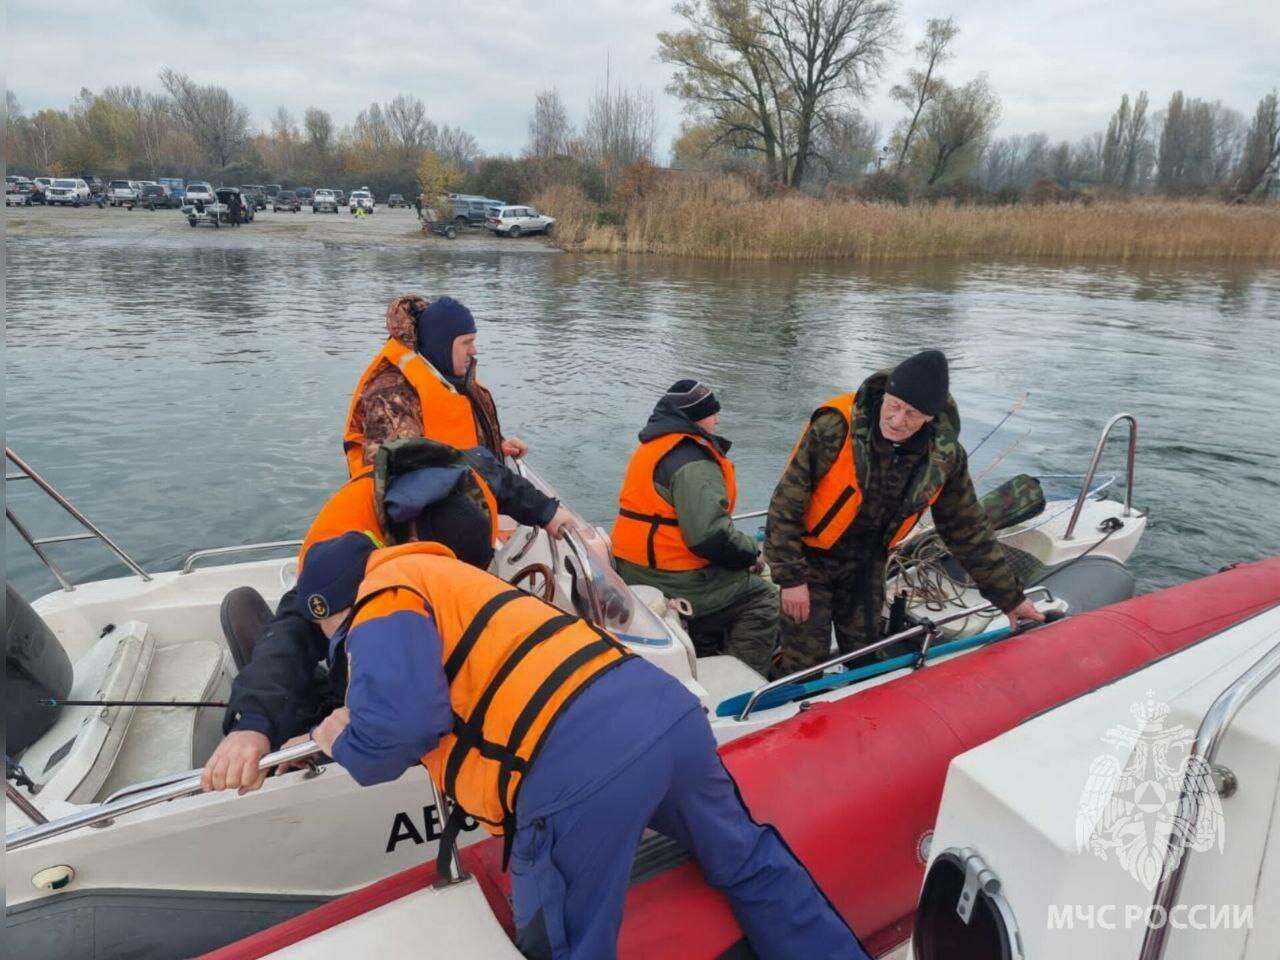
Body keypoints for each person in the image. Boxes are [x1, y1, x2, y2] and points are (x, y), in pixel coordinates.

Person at [204, 532, 871, 960]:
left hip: (579, 774)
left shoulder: (379, 600)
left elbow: (401, 730)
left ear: (334, 612)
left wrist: (337, 734)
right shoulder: (449, 577)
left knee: (563, 945)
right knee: (747, 860)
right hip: (665, 714)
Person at [214, 437, 574, 755]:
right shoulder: (341, 555)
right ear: (412, 547)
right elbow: (292, 630)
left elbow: (498, 476)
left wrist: (551, 514)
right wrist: (255, 722)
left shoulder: (464, 478)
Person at [764, 350, 1044, 676]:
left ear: (931, 417)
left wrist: (1010, 599)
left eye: (912, 414)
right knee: (803, 663)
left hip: (868, 566)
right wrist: (791, 578)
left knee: (867, 657)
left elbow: (968, 531)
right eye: (893, 406)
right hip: (810, 561)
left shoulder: (945, 458)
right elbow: (785, 505)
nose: (898, 421)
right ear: (884, 396)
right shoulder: (834, 427)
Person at [612, 381, 778, 675]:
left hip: (633, 568)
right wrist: (752, 555)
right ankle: (741, 679)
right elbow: (710, 537)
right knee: (764, 598)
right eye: (712, 413)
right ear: (695, 417)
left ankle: (705, 644)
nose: (717, 420)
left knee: (732, 576)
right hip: (674, 579)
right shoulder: (694, 460)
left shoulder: (653, 447)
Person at [342, 295, 528, 477]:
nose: (474, 350)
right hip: (447, 503)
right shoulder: (390, 398)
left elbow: (462, 433)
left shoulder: (456, 381)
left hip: (473, 496)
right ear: (442, 345)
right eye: (466, 342)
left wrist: (498, 446)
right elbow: (395, 484)